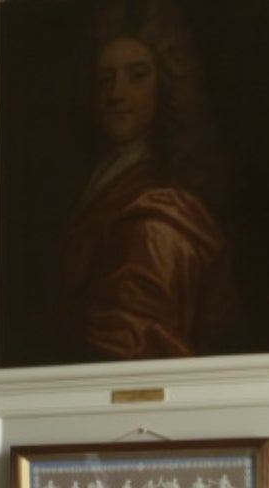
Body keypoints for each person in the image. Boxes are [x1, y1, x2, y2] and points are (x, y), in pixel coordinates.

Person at [37, 0, 235, 363]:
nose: (116, 95)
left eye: (138, 76)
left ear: (167, 86)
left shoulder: (156, 222)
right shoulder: (106, 178)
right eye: (105, 79)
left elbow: (132, 353)